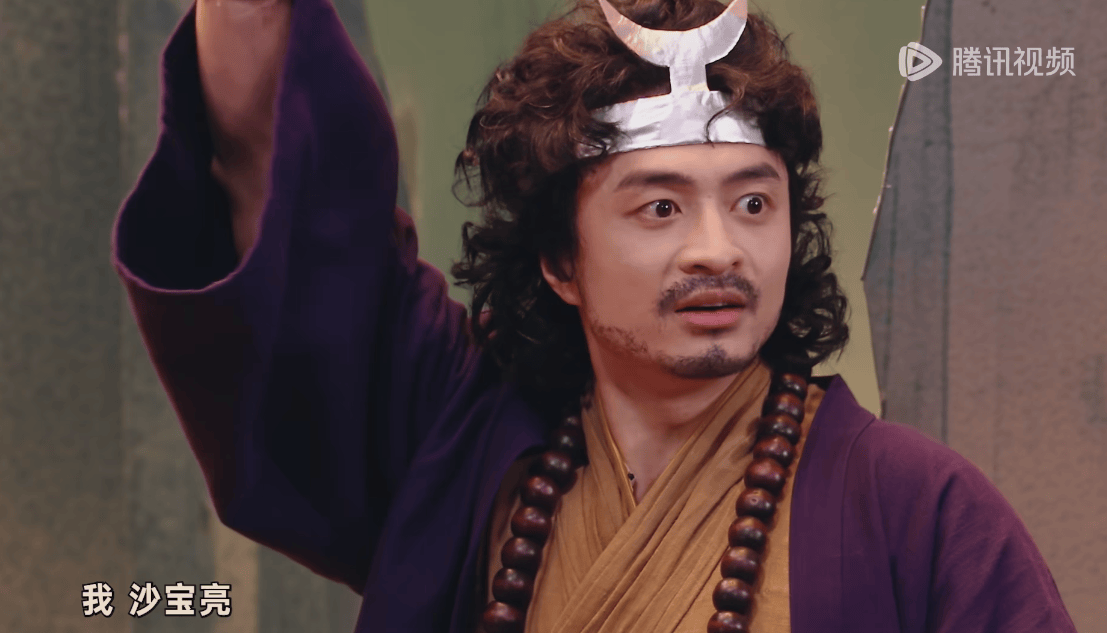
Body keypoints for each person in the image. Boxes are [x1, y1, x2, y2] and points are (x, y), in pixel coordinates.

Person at [111, 0, 1077, 631]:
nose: (717, 250)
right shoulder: (463, 445)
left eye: (753, 202)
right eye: (659, 208)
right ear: (559, 259)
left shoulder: (916, 510)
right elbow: (278, 175)